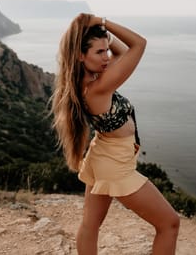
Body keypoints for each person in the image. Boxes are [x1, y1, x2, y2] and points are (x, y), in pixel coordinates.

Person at [50, 13, 180, 254]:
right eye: (99, 53)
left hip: (102, 155)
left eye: (105, 50)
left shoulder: (86, 81)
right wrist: (103, 22)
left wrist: (103, 37)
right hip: (116, 166)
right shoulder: (99, 87)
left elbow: (120, 54)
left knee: (90, 225)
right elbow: (139, 44)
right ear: (80, 56)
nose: (106, 57)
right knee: (170, 224)